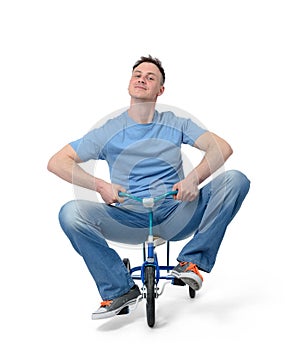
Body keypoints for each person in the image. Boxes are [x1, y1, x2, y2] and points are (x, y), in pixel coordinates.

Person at [47, 55, 250, 320]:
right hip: (127, 216)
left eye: (150, 77)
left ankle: (191, 262)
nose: (142, 78)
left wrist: (193, 179)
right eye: (137, 75)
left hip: (177, 210)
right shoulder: (109, 130)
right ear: (130, 83)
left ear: (160, 90)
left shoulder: (176, 123)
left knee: (235, 180)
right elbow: (57, 161)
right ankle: (119, 289)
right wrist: (100, 185)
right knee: (71, 213)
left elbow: (221, 147)